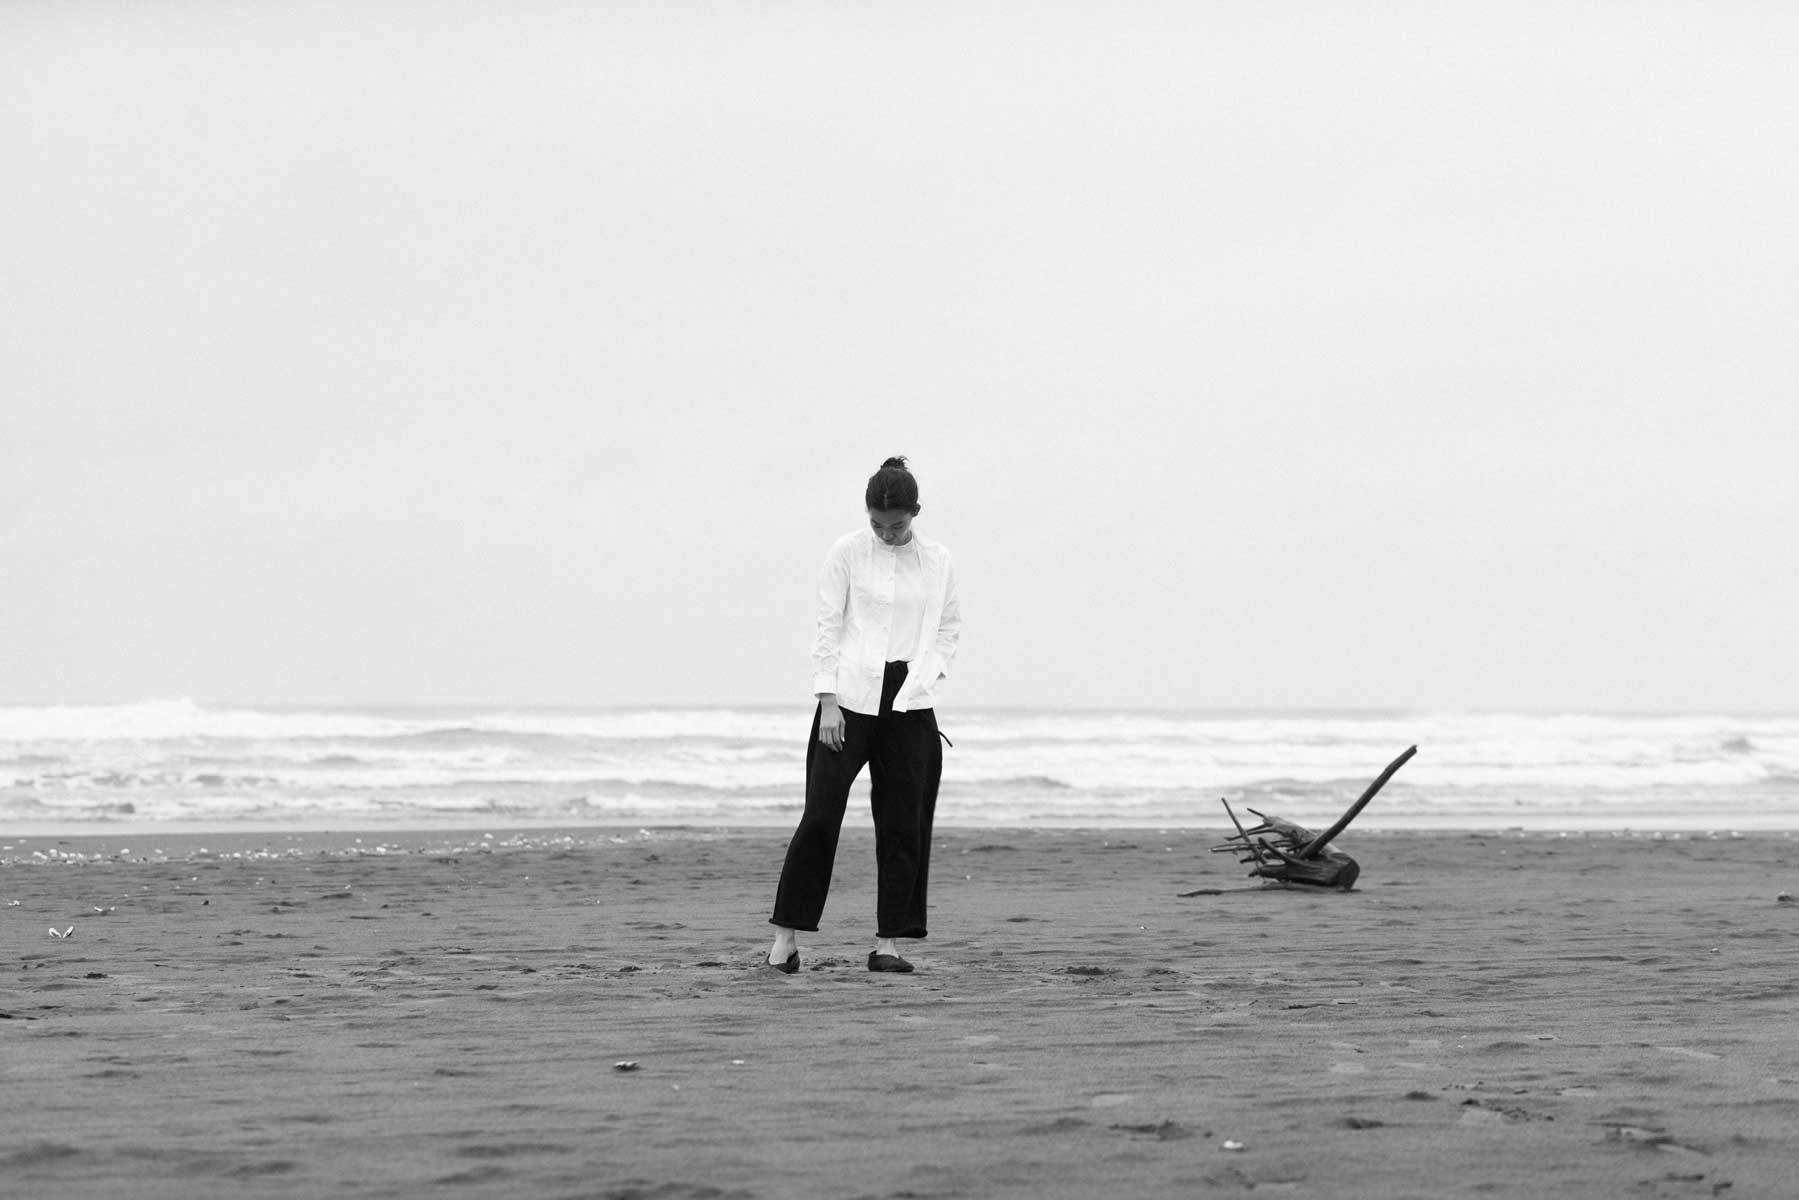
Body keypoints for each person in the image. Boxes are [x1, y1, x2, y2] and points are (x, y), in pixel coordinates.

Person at [766, 456, 962, 974]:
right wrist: (826, 700)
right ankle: (785, 940)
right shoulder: (847, 552)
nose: (886, 533)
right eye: (878, 524)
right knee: (820, 816)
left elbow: (949, 627)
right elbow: (828, 625)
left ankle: (888, 945)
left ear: (915, 513)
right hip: (848, 699)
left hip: (910, 702)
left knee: (904, 824)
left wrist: (926, 675)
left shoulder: (938, 560)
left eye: (895, 525)